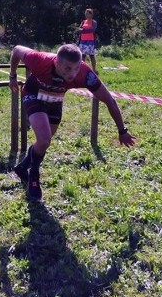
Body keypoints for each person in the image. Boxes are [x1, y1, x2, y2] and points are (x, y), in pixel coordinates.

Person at [9, 43, 137, 200]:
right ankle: (33, 175)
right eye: (68, 69)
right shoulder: (39, 60)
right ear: (56, 62)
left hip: (56, 99)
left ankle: (23, 167)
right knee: (44, 139)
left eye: (76, 68)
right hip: (34, 93)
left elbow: (109, 100)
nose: (72, 74)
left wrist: (122, 130)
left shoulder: (85, 74)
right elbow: (16, 50)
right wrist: (13, 76)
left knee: (45, 142)